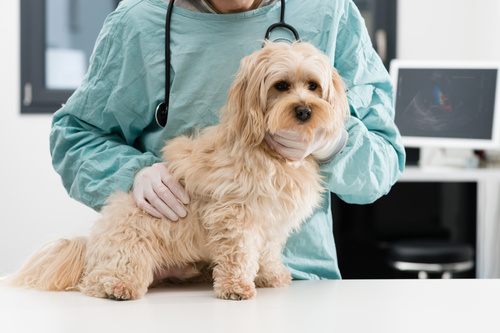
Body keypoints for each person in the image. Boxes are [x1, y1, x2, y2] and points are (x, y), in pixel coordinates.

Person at [50, 0, 406, 280]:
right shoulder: (140, 22)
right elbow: (76, 135)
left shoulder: (330, 12)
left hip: (295, 276)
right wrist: (132, 174)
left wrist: (332, 144)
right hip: (170, 275)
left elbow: (382, 162)